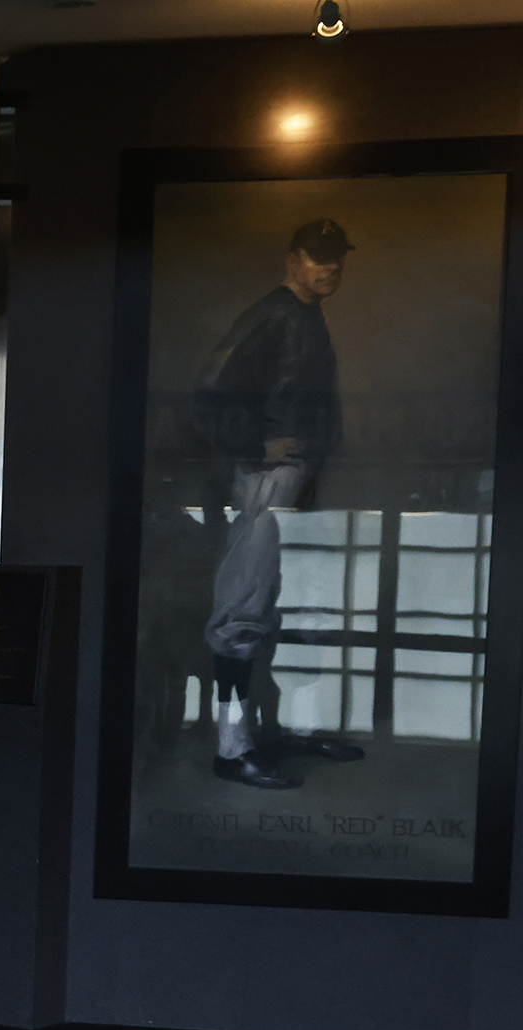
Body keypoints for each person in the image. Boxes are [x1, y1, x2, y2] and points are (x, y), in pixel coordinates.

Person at [192, 217, 364, 790]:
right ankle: (232, 748)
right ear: (292, 260)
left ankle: (264, 734)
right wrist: (254, 446)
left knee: (273, 609)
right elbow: (211, 390)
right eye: (318, 257)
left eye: (336, 256)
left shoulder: (308, 315)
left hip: (300, 482)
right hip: (269, 480)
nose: (330, 266)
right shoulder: (273, 314)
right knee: (243, 611)